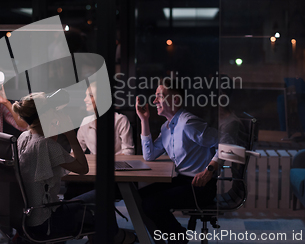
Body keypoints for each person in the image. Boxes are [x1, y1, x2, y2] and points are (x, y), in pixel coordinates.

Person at [12, 93, 135, 243]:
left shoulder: (23, 138)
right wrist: (71, 134)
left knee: (90, 200)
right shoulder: (45, 145)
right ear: (46, 115)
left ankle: (111, 237)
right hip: (48, 219)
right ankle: (118, 238)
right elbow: (83, 168)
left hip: (29, 216)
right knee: (105, 194)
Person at [136, 80, 219, 244]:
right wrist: (144, 120)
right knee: (139, 197)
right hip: (183, 180)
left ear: (175, 100)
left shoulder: (188, 123)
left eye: (159, 96)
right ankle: (172, 236)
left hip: (201, 186)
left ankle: (178, 238)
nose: (154, 101)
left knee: (151, 204)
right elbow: (149, 155)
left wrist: (209, 170)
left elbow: (226, 143)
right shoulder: (167, 127)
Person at [77, 81, 135, 155]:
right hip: (94, 165)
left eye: (90, 95)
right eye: (86, 96)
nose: (85, 99)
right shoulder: (86, 122)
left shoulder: (120, 120)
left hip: (117, 165)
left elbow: (128, 152)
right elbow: (77, 151)